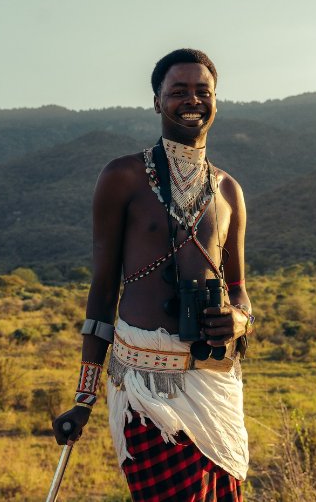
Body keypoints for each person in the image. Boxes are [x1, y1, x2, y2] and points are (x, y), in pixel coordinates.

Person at [52, 48, 255, 502]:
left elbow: (240, 292)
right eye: (178, 91)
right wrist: (84, 397)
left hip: (212, 384)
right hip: (144, 388)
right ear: (157, 101)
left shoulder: (228, 191)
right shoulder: (122, 177)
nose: (192, 100)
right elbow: (103, 291)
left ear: (216, 100)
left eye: (203, 91)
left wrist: (240, 321)